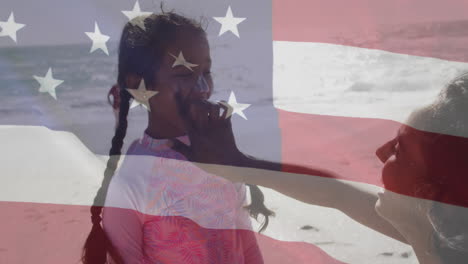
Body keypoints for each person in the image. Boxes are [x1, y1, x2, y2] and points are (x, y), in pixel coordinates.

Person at [171, 73, 468, 264]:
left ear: (429, 197)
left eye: (398, 149)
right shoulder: (442, 237)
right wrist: (240, 166)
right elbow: (335, 192)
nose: (381, 151)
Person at [81, 12, 275, 264]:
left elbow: (247, 249)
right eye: (184, 74)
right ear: (138, 84)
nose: (203, 87)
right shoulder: (131, 183)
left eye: (207, 71)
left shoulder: (219, 161)